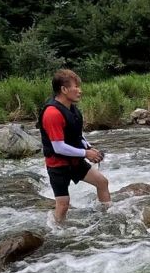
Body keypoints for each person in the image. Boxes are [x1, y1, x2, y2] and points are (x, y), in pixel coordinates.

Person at [37, 69, 110, 223]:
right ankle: (57, 232)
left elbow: (77, 135)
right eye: (75, 87)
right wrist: (86, 154)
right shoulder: (52, 113)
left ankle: (108, 218)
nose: (80, 91)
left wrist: (89, 147)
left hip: (74, 162)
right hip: (58, 166)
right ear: (64, 89)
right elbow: (58, 147)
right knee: (63, 205)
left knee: (102, 182)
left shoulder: (72, 109)